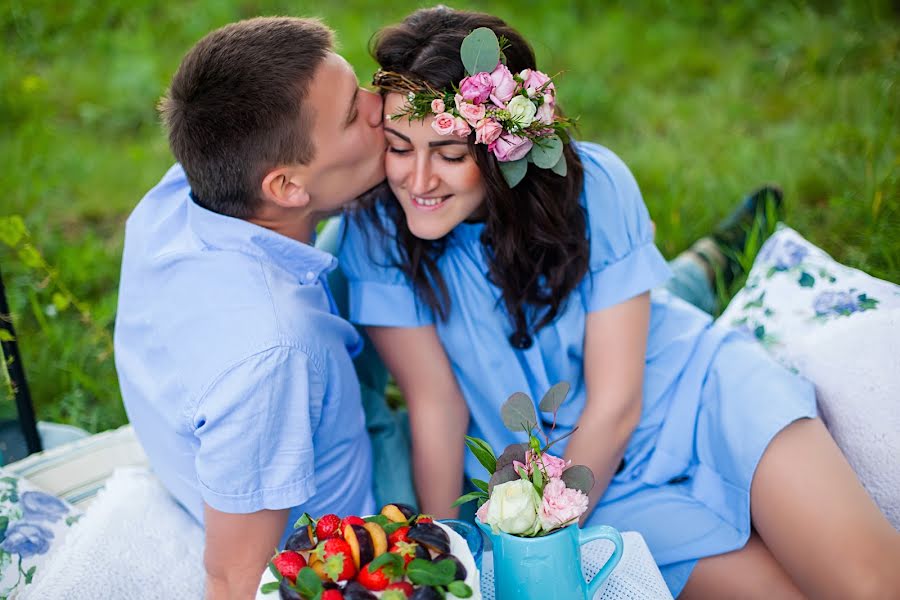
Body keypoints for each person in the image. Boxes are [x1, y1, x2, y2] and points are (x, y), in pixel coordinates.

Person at [338, 7, 900, 598]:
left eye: (450, 155)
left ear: (503, 148)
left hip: (698, 401)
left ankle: (718, 258)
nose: (419, 180)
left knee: (870, 585)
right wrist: (462, 559)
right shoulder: (378, 233)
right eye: (400, 148)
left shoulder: (595, 186)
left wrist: (549, 526)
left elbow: (615, 402)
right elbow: (436, 406)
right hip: (593, 491)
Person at [114, 17, 391, 598]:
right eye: (351, 115)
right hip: (348, 542)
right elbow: (236, 574)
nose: (381, 104)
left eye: (359, 84)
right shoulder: (273, 352)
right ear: (286, 187)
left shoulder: (184, 192)